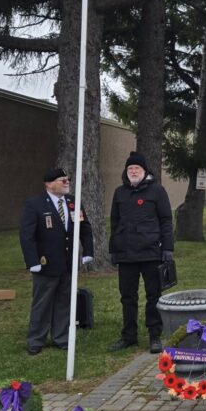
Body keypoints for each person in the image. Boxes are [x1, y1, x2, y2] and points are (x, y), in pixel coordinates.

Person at [19, 167, 94, 355]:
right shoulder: (35, 204)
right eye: (62, 180)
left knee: (65, 301)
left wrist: (88, 252)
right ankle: (36, 340)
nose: (67, 182)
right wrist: (32, 261)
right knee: (42, 302)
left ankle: (61, 337)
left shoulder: (72, 203)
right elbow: (27, 235)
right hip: (46, 263)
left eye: (67, 179)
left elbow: (85, 228)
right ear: (49, 184)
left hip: (69, 263)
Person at [109, 151, 174, 354]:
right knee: (127, 297)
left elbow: (166, 221)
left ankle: (155, 335)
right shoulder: (120, 193)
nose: (133, 171)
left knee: (153, 295)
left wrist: (168, 248)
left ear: (145, 171)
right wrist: (114, 249)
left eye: (137, 168)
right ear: (126, 172)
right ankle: (129, 336)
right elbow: (114, 222)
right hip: (126, 254)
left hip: (151, 253)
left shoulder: (157, 191)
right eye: (130, 168)